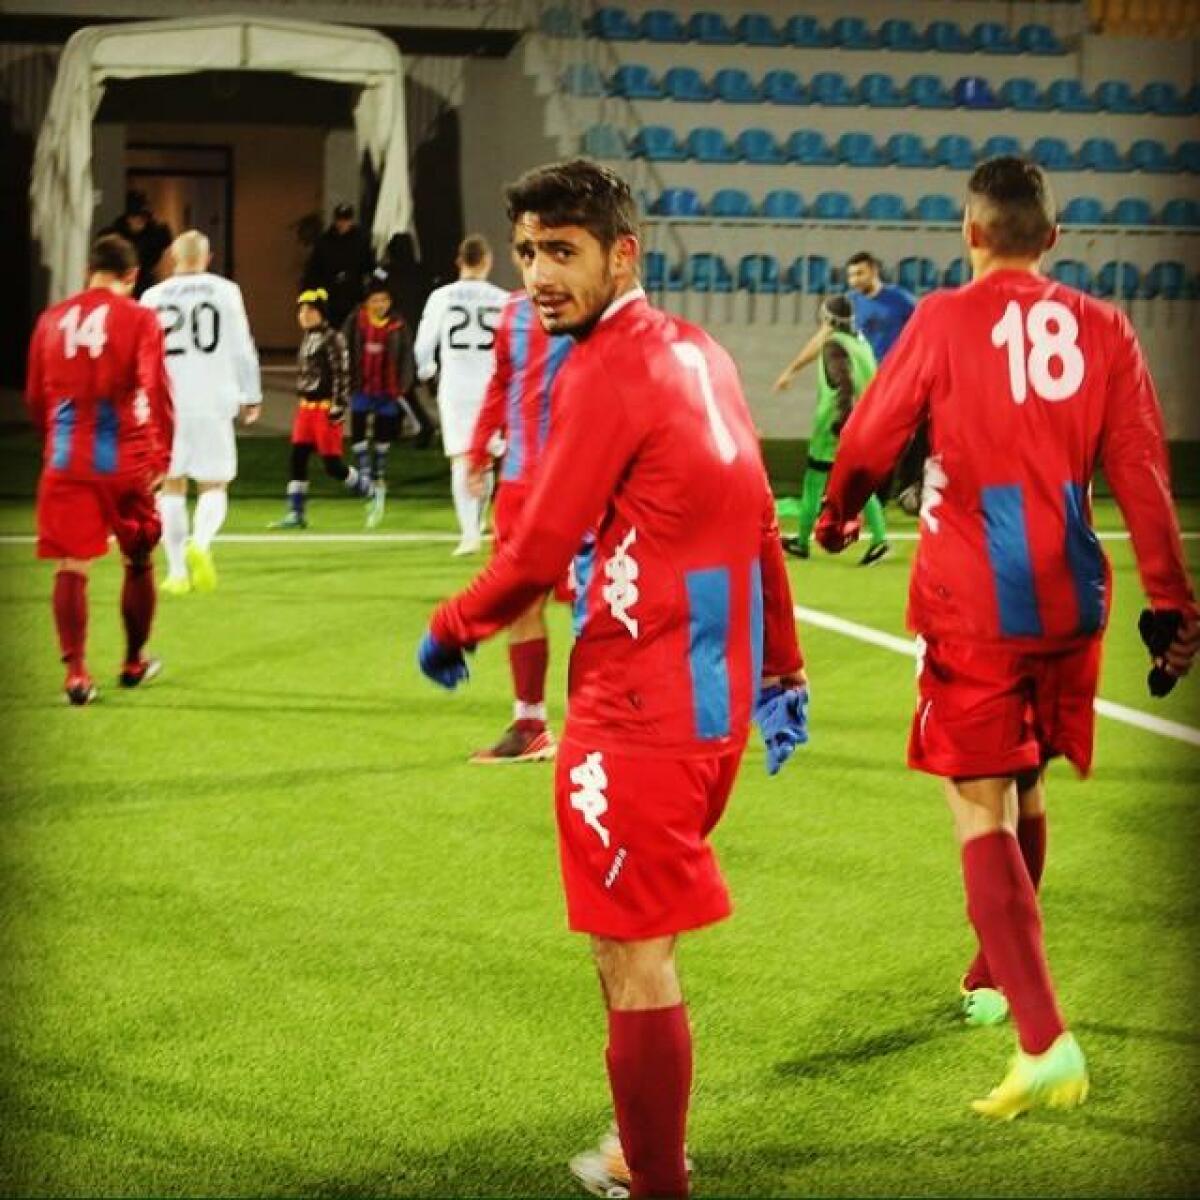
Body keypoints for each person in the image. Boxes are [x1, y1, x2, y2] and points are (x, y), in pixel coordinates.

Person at [417, 159, 809, 1199]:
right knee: (635, 942)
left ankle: (654, 1175)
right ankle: (644, 1150)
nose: (539, 275)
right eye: (527, 252)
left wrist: (453, 626)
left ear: (622, 254)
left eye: (563, 251)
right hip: (711, 707)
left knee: (631, 956)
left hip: (637, 706)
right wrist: (783, 666)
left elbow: (540, 547)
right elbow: (760, 520)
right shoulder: (700, 351)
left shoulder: (603, 368)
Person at [815, 156, 1199, 1119]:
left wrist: (837, 512)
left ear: (970, 233)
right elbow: (1142, 469)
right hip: (1070, 603)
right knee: (1024, 783)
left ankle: (1043, 1040)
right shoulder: (1105, 326)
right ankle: (991, 974)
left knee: (976, 807)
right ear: (1054, 239)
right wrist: (1172, 605)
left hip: (975, 602)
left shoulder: (944, 319)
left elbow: (871, 436)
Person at [25, 233, 174, 703]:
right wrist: (161, 454)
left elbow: (35, 397)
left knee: (71, 564)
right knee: (138, 557)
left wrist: (56, 443)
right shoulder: (139, 317)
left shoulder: (51, 319)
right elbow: (155, 387)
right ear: (131, 276)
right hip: (123, 456)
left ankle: (76, 675)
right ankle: (132, 662)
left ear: (89, 271)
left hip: (67, 457)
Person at [462, 280, 573, 762]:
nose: (536, 262)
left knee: (602, 608)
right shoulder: (512, 312)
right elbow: (501, 382)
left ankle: (610, 727)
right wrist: (478, 448)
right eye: (527, 251)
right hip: (520, 483)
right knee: (520, 604)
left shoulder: (601, 309)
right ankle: (530, 725)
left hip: (583, 483)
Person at [141, 230, 261, 593]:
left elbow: (143, 355)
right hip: (213, 399)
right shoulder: (226, 291)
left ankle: (177, 573)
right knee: (214, 483)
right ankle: (201, 542)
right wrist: (251, 394)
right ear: (207, 258)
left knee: (171, 485)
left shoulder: (152, 297)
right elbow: (242, 346)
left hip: (168, 404)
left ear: (173, 257)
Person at [775, 295, 889, 565]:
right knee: (858, 484)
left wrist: (841, 423)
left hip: (834, 427)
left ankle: (802, 542)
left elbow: (843, 385)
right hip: (864, 423)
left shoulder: (834, 347)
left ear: (827, 320)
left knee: (814, 483)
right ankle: (880, 539)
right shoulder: (860, 343)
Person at [413, 235, 508, 555]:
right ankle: (478, 522)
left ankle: (469, 533)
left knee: (461, 458)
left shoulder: (441, 297)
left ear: (459, 261)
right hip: (492, 387)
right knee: (486, 457)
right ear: (487, 261)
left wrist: (427, 371)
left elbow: (423, 346)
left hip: (455, 387)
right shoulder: (502, 299)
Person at [270, 288, 372, 530]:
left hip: (325, 408)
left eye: (310, 310)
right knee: (298, 457)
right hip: (306, 408)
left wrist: (339, 405)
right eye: (301, 310)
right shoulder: (308, 337)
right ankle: (296, 512)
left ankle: (367, 488)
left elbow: (341, 373)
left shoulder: (333, 338)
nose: (304, 315)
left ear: (321, 313)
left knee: (332, 465)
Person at [342, 269, 418, 529]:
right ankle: (364, 469)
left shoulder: (399, 325)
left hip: (388, 388)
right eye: (375, 300)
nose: (380, 305)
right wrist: (344, 377)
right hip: (362, 386)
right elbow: (344, 346)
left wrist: (404, 384)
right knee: (359, 428)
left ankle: (379, 470)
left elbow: (407, 355)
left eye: (384, 300)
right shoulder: (356, 321)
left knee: (384, 432)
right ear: (366, 302)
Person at [302, 202, 375, 330]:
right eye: (340, 220)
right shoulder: (324, 241)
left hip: (354, 294)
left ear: (351, 220)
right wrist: (310, 295)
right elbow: (313, 270)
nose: (343, 224)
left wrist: (385, 275)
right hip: (330, 295)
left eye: (346, 220)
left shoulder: (361, 240)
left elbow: (371, 266)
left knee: (354, 328)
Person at [102, 190, 173, 299]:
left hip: (144, 282)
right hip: (120, 281)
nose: (140, 221)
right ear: (128, 218)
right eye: (136, 217)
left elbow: (164, 240)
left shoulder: (153, 234)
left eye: (144, 217)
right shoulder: (116, 235)